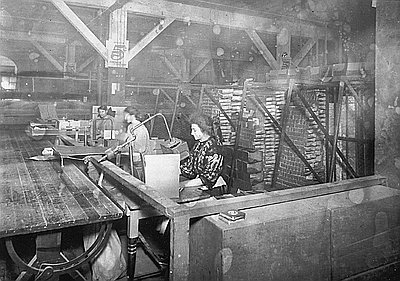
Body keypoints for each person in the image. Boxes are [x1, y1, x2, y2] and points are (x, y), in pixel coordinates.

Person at [180, 112, 226, 196]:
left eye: (194, 130)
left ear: (204, 130)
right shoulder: (198, 144)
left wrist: (183, 185)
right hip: (199, 184)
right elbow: (190, 169)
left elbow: (208, 179)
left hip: (214, 189)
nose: (191, 133)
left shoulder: (214, 149)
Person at [121, 106, 151, 180]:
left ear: (132, 115)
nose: (125, 118)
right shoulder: (130, 126)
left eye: (126, 116)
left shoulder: (140, 128)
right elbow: (127, 141)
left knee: (138, 181)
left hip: (139, 160)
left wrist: (124, 149)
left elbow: (140, 148)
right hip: (131, 157)